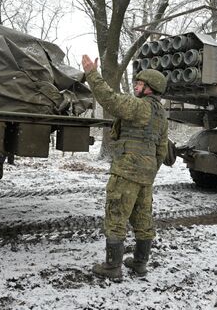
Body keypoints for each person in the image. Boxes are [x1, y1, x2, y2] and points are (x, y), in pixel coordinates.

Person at [81, 54, 168, 279]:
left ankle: (112, 268)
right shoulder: (161, 114)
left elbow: (108, 99)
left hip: (127, 171)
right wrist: (149, 169)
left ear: (150, 88)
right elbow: (162, 149)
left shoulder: (139, 107)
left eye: (140, 84)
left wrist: (92, 74)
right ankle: (139, 264)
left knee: (116, 216)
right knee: (143, 218)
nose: (136, 86)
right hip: (146, 174)